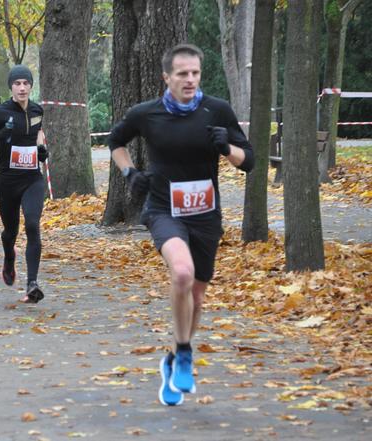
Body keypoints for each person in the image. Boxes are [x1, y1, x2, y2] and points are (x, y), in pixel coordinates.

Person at [108, 44, 254, 406]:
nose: (190, 80)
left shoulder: (216, 110)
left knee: (199, 296)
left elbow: (248, 161)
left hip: (205, 214)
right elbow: (115, 142)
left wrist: (227, 148)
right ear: (167, 77)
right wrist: (130, 173)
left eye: (195, 73)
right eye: (182, 74)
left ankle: (173, 357)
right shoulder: (147, 114)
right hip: (163, 209)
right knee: (183, 275)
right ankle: (186, 352)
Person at [0, 65, 49, 303]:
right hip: (7, 181)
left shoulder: (37, 110)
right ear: (11, 87)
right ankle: (9, 256)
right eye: (17, 84)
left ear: (31, 86)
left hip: (32, 179)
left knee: (33, 225)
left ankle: (32, 284)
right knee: (10, 232)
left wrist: (41, 148)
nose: (22, 87)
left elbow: (39, 132)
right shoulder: (0, 113)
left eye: (25, 83)